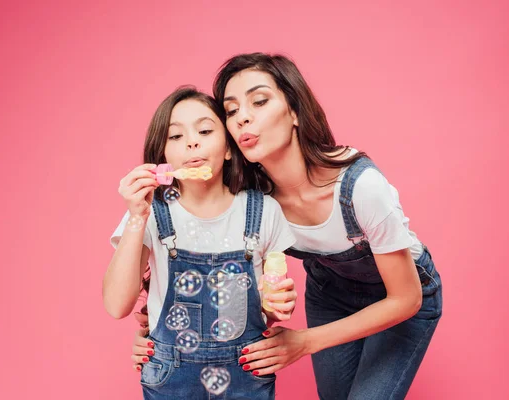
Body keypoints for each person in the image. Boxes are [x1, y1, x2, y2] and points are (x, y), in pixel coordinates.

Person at [130, 53, 443, 400]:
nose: (243, 117)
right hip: (331, 294)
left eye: (259, 101)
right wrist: (160, 333)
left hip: (403, 294)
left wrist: (305, 341)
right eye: (232, 111)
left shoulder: (361, 188)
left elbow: (406, 297)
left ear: (294, 110)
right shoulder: (256, 200)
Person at [103, 86, 298, 399]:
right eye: (176, 136)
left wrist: (278, 302)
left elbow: (266, 308)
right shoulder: (152, 210)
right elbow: (116, 305)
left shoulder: (263, 211)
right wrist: (136, 215)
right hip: (172, 379)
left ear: (229, 149)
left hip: (246, 376)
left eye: (205, 130)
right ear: (164, 157)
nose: (191, 141)